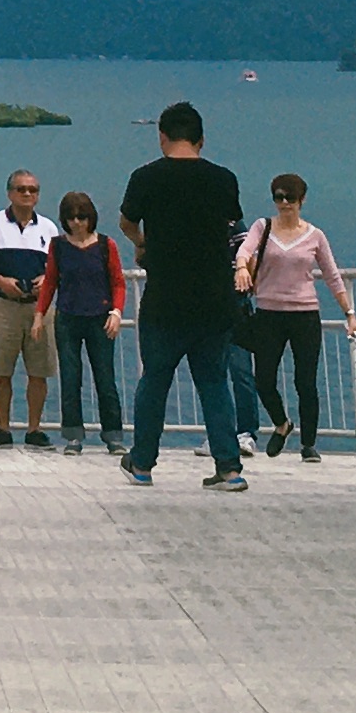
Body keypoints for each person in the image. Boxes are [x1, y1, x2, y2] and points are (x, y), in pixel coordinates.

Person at [117, 101, 249, 490]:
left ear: (162, 136)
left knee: (155, 380)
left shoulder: (145, 177)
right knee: (214, 383)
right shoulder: (223, 179)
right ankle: (229, 467)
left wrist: (142, 243)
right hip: (215, 298)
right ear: (201, 139)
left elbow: (126, 221)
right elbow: (231, 224)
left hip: (165, 298)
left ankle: (142, 463)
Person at [236, 171, 352, 461]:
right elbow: (244, 250)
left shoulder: (315, 236)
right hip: (269, 314)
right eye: (279, 197)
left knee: (305, 382)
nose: (285, 203)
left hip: (304, 314)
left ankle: (308, 444)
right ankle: (282, 423)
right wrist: (241, 267)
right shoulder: (262, 227)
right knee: (264, 379)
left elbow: (332, 276)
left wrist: (349, 314)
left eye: (290, 197)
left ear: (302, 200)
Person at [0, 170, 60, 447]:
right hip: (3, 306)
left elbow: (58, 265)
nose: (27, 194)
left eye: (32, 189)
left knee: (39, 371)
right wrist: (1, 281)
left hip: (39, 308)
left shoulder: (48, 228)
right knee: (1, 369)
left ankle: (34, 429)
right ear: (10, 193)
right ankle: (3, 429)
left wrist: (47, 279)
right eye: (21, 189)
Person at [37, 190, 127, 451]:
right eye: (71, 218)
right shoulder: (58, 246)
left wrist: (116, 312)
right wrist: (39, 315)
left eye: (82, 217)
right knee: (70, 377)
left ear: (91, 218)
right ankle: (73, 435)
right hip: (68, 318)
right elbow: (50, 282)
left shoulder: (106, 246)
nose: (77, 223)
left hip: (100, 318)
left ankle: (113, 435)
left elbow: (118, 282)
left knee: (105, 378)